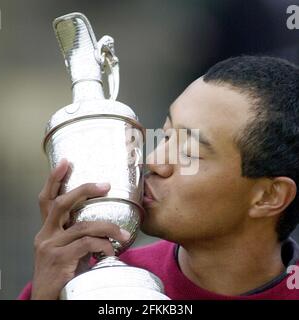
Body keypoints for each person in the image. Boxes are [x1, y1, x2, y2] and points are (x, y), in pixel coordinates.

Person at [18, 55, 299, 300]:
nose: (154, 161)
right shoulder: (98, 278)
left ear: (269, 196)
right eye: (165, 135)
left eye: (188, 152)